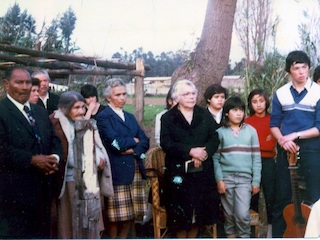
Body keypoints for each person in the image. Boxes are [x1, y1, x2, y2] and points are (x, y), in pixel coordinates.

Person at [0, 66, 62, 238]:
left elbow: (54, 140)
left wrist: (54, 158)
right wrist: (32, 160)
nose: (25, 87)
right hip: (13, 194)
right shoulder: (2, 111)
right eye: (19, 82)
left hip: (43, 191)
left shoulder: (39, 112)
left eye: (28, 82)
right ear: (7, 84)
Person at [160, 79, 221, 238]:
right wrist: (190, 151)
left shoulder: (204, 114)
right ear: (177, 97)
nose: (191, 97)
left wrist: (203, 154)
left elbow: (214, 138)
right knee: (180, 217)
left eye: (193, 93)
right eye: (186, 94)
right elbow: (166, 143)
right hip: (178, 172)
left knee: (198, 216)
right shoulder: (167, 117)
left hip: (202, 171)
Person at [270, 50, 320, 237]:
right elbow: (274, 125)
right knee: (281, 197)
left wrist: (295, 135)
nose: (301, 72)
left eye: (304, 67)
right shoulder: (280, 93)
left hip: (312, 149)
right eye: (296, 68)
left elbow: (319, 127)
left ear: (309, 68)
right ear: (289, 71)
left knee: (316, 196)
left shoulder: (318, 92)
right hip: (286, 149)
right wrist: (283, 140)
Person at [50, 91, 111, 238]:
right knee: (71, 224)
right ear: (65, 108)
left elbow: (96, 145)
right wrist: (92, 161)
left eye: (83, 107)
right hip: (71, 181)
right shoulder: (57, 123)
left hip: (89, 180)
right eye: (76, 107)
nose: (81, 111)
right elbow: (68, 154)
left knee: (89, 224)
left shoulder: (85, 122)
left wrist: (100, 157)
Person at [96, 78, 149, 238]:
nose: (122, 98)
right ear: (108, 97)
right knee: (115, 216)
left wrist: (132, 150)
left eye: (124, 94)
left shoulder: (130, 116)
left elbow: (145, 140)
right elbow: (115, 144)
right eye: (118, 94)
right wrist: (134, 141)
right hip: (117, 171)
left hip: (134, 169)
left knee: (130, 214)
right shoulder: (104, 117)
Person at [213, 96, 261, 238]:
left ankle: (244, 236)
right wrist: (219, 180)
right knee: (229, 214)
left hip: (244, 179)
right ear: (227, 112)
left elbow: (256, 158)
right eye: (235, 110)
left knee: (242, 214)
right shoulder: (220, 132)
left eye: (241, 110)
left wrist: (256, 181)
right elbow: (215, 158)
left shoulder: (251, 131)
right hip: (226, 178)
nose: (239, 113)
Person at [245, 89, 276, 238]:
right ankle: (251, 232)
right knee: (252, 197)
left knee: (270, 196)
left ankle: (270, 232)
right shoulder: (247, 122)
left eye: (261, 101)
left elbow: (271, 147)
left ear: (266, 101)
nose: (258, 105)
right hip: (250, 163)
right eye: (255, 102)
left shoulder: (273, 120)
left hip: (269, 162)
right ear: (250, 104)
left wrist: (264, 144)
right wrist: (265, 143)